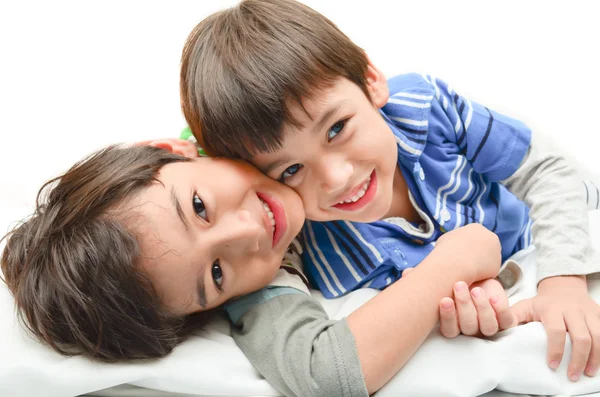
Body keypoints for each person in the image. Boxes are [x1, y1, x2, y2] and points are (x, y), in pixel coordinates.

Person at [179, 0, 600, 383]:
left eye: (337, 128)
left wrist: (562, 280)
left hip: (533, 238)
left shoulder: (423, 107)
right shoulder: (298, 240)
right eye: (291, 170)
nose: (337, 177)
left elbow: (545, 170)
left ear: (370, 79)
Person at [1, 143, 507, 396]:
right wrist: (453, 266)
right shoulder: (264, 285)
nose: (247, 232)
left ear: (177, 149)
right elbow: (328, 372)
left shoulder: (271, 109)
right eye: (216, 275)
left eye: (199, 207)